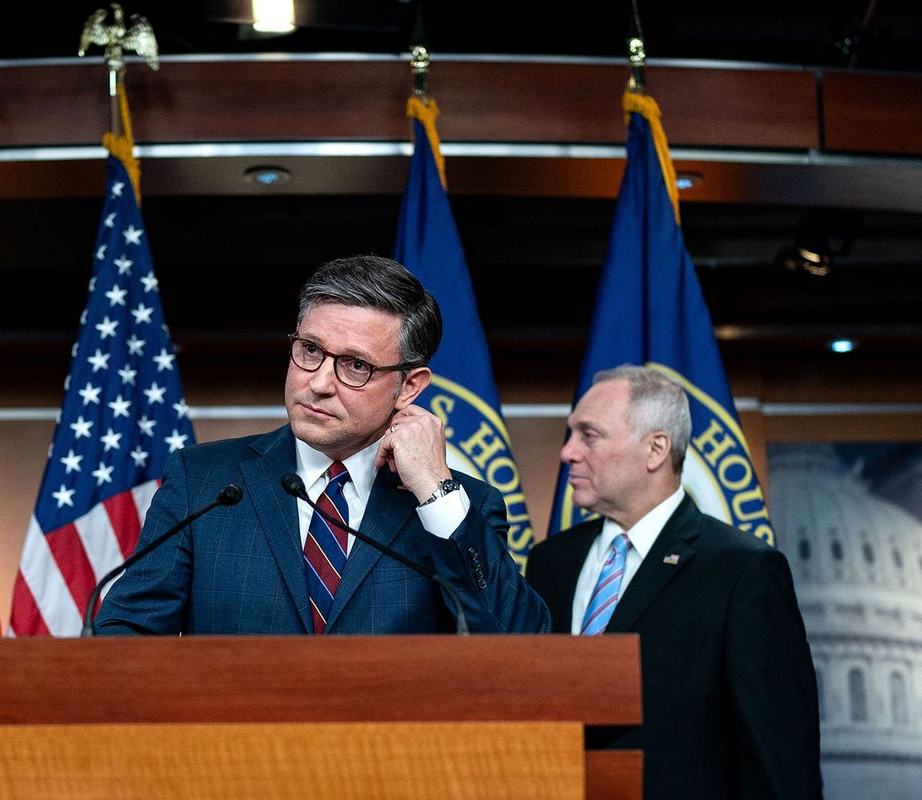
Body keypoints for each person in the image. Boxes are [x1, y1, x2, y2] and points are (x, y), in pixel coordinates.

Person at [95, 255, 550, 635]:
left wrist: (434, 490)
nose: (318, 383)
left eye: (355, 365)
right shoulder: (204, 481)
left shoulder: (463, 508)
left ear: (409, 387)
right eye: (310, 350)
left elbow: (520, 645)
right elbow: (125, 635)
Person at [526, 365, 821, 800]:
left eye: (588, 436)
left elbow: (779, 756)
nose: (567, 452)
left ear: (656, 449)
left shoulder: (743, 571)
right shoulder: (551, 560)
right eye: (571, 435)